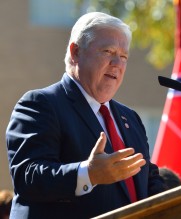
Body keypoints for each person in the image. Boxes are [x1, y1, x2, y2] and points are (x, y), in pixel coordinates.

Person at [6, 12, 167, 219]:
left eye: (124, 56)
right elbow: (28, 176)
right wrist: (88, 174)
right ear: (75, 52)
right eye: (108, 51)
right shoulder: (40, 104)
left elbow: (147, 181)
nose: (117, 63)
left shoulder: (130, 118)